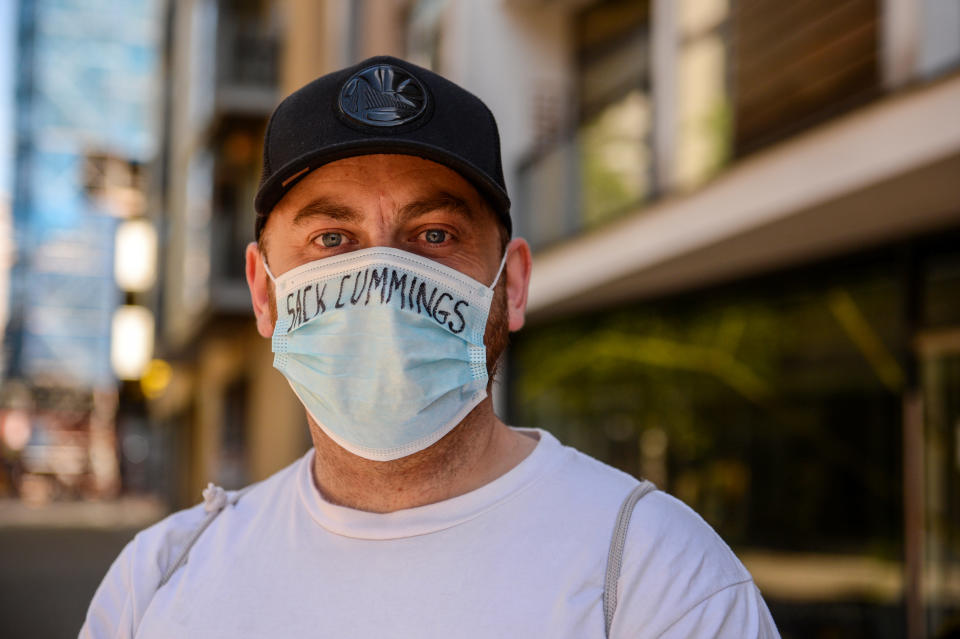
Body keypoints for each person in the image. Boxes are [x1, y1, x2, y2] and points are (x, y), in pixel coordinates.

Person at [81, 56, 779, 638]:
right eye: (333, 239)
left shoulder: (657, 580)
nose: (382, 281)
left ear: (513, 285)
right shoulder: (160, 578)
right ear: (264, 293)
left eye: (435, 234)